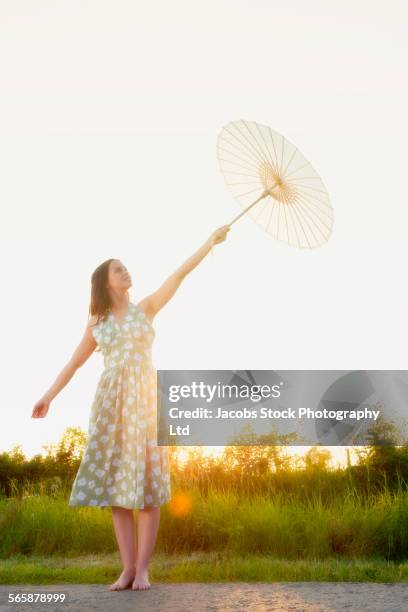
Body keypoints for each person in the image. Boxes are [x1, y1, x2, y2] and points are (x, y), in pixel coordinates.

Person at [31, 224, 230, 591]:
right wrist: (48, 395)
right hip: (112, 406)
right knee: (118, 492)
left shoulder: (146, 308)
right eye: (118, 269)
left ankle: (143, 569)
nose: (126, 271)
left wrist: (209, 243)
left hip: (146, 401)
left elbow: (179, 273)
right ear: (106, 282)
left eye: (125, 267)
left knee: (149, 487)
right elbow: (73, 363)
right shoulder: (97, 324)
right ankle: (126, 569)